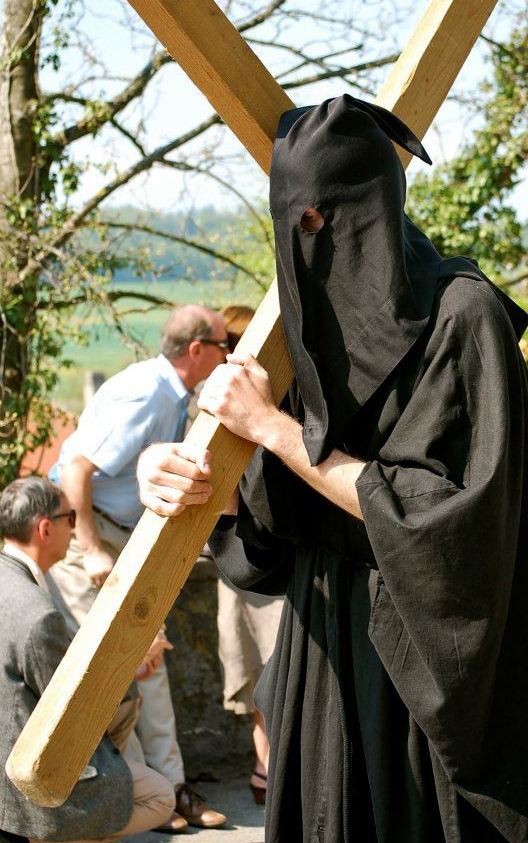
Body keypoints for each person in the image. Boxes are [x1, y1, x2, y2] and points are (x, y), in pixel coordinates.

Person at [138, 96, 528, 842]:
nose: (309, 241)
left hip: (440, 669)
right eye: (291, 222)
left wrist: (274, 431)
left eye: (322, 218)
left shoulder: (463, 317)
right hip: (327, 658)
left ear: (372, 206)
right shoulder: (298, 330)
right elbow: (268, 534)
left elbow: (452, 521)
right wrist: (196, 482)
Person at [49, 304, 228, 831]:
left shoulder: (171, 393)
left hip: (120, 537)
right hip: (91, 538)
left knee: (150, 657)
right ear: (197, 350)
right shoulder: (146, 393)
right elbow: (76, 469)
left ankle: (169, 794)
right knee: (108, 672)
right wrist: (94, 549)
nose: (229, 353)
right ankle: (135, 795)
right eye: (223, 344)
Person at [0, 476, 176, 842]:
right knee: (162, 798)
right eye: (72, 518)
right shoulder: (37, 613)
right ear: (45, 528)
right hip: (29, 783)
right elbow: (69, 718)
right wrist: (133, 666)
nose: (76, 529)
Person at [218, 306, 283, 805]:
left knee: (276, 667)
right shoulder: (218, 397)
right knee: (253, 670)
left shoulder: (274, 399)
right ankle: (262, 761)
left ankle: (273, 765)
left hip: (274, 564)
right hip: (236, 559)